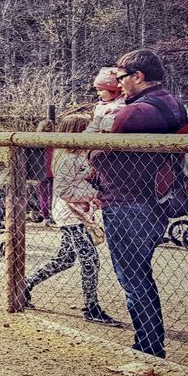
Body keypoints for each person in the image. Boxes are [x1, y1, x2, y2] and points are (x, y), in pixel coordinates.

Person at [90, 49, 188, 359]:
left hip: (127, 201)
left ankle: (148, 345)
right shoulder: (173, 105)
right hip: (154, 200)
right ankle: (149, 341)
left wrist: (92, 156)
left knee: (132, 276)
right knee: (139, 272)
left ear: (138, 76)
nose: (120, 85)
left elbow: (102, 153)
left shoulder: (136, 113)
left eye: (122, 78)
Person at [22, 114, 116, 324]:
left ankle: (25, 285)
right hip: (70, 215)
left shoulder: (82, 155)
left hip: (80, 213)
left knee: (64, 260)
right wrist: (93, 194)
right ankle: (91, 308)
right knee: (90, 260)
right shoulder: (67, 158)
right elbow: (64, 190)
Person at [86, 67, 126, 133]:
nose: (98, 93)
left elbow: (102, 129)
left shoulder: (116, 108)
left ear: (115, 91)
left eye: (100, 90)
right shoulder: (103, 104)